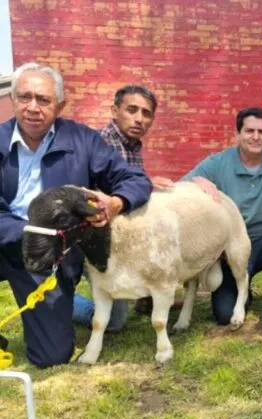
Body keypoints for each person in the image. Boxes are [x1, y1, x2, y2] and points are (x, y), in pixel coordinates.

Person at [0, 62, 152, 368]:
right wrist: (24, 231)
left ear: (59, 105)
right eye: (25, 97)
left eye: (43, 100)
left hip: (52, 253)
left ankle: (61, 307)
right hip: (7, 236)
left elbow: (135, 181)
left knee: (52, 356)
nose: (32, 107)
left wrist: (116, 203)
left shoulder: (84, 141)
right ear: (13, 99)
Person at [183, 107, 262, 324]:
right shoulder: (218, 162)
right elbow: (181, 186)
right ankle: (242, 291)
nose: (256, 137)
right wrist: (195, 181)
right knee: (225, 315)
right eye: (249, 131)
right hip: (231, 246)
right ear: (237, 134)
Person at [71, 84, 173, 331]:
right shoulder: (102, 144)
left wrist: (145, 183)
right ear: (115, 110)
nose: (139, 119)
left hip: (116, 239)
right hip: (87, 240)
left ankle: (143, 296)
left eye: (146, 113)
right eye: (132, 110)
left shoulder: (132, 144)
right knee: (115, 323)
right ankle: (61, 300)